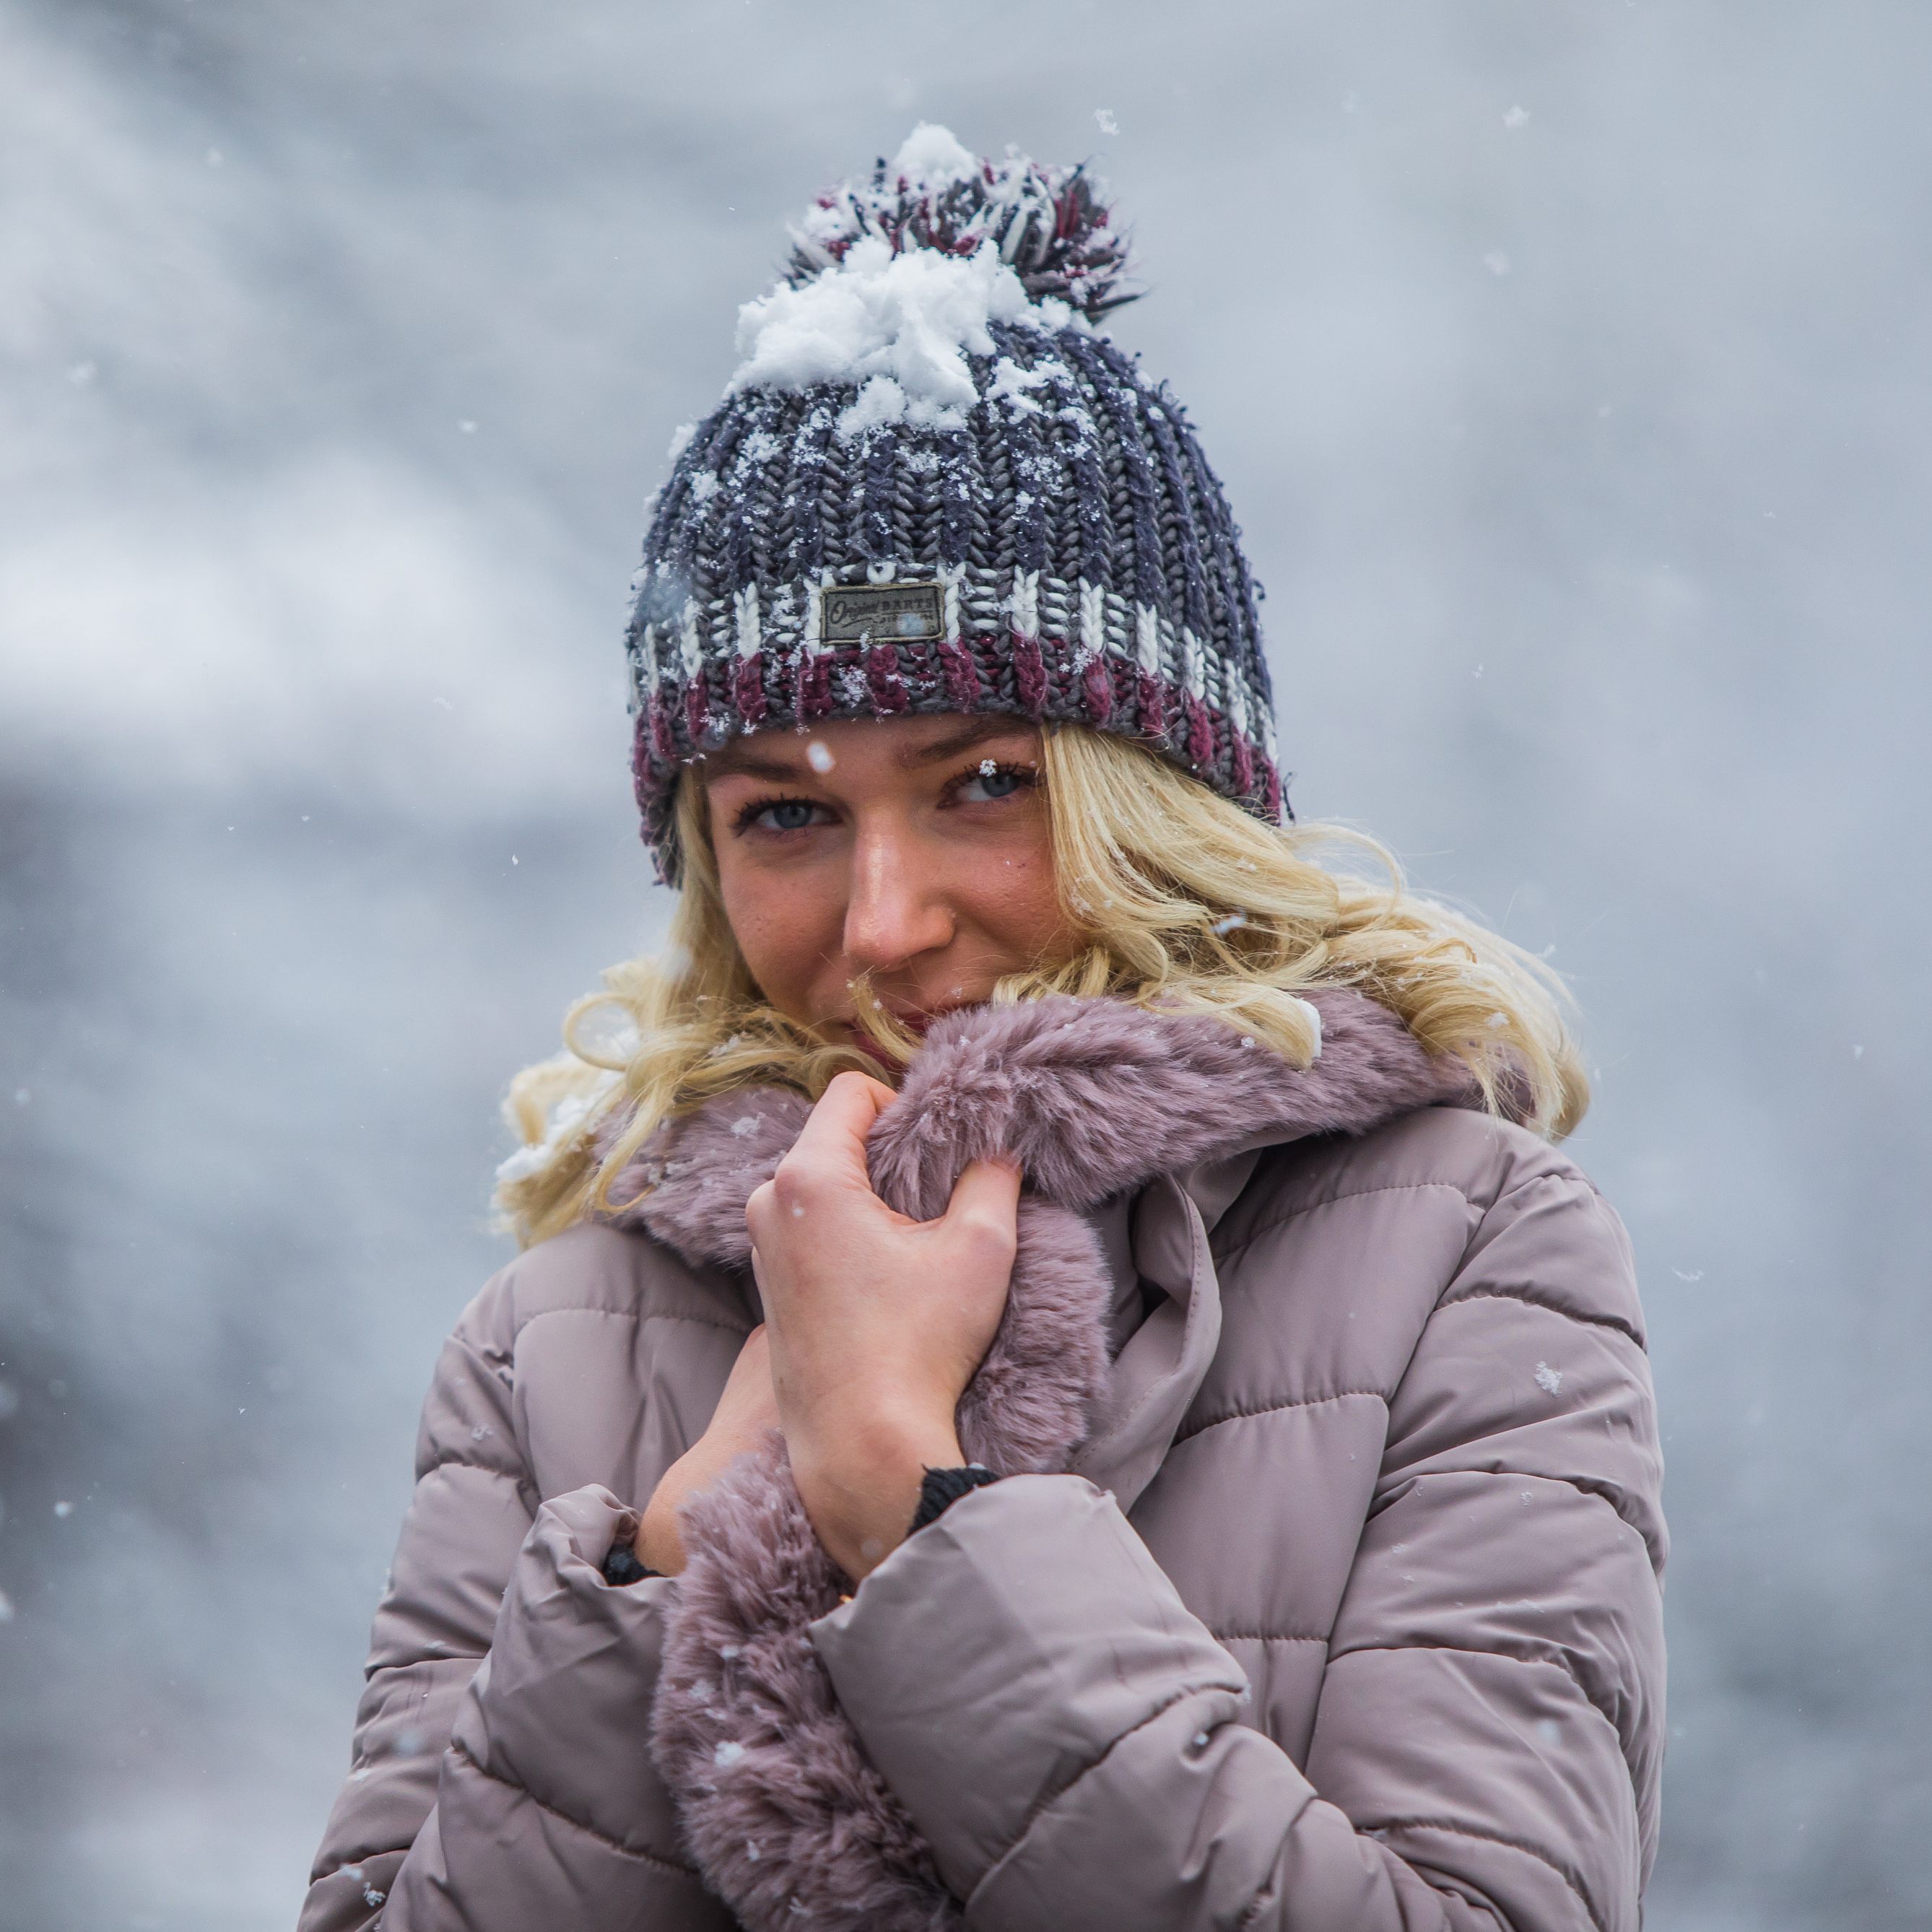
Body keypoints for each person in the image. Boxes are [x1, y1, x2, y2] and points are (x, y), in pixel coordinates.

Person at [300, 126, 1665, 1932]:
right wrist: (662, 1572)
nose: (884, 920)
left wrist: (915, 1513)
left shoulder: (1468, 1250)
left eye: (985, 784)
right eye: (782, 814)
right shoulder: (552, 1340)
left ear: (1155, 802)